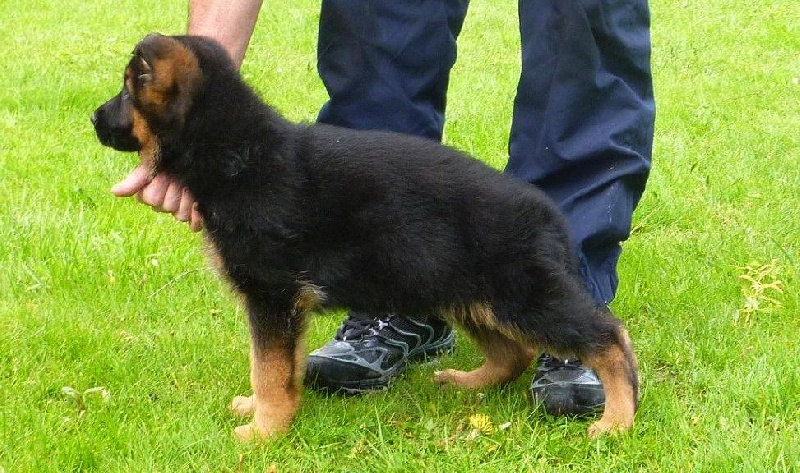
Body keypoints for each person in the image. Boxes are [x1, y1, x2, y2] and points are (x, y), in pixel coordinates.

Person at [113, 0, 654, 415]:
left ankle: (575, 317)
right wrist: (197, 85)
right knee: (381, 27)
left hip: (503, 227)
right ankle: (439, 326)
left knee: (582, 21)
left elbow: (274, 304)